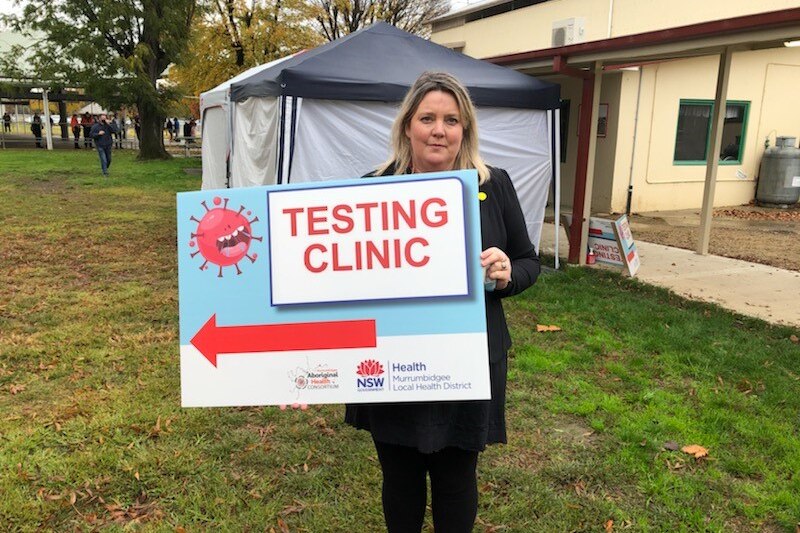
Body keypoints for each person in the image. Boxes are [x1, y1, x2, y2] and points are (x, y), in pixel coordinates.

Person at [344, 72, 541, 532]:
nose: (439, 129)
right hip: (394, 357)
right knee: (400, 476)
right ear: (407, 125)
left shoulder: (494, 184)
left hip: (467, 358)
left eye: (451, 120)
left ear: (465, 129)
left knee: (457, 478)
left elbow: (529, 261)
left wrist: (507, 273)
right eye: (428, 117)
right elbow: (343, 282)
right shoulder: (371, 188)